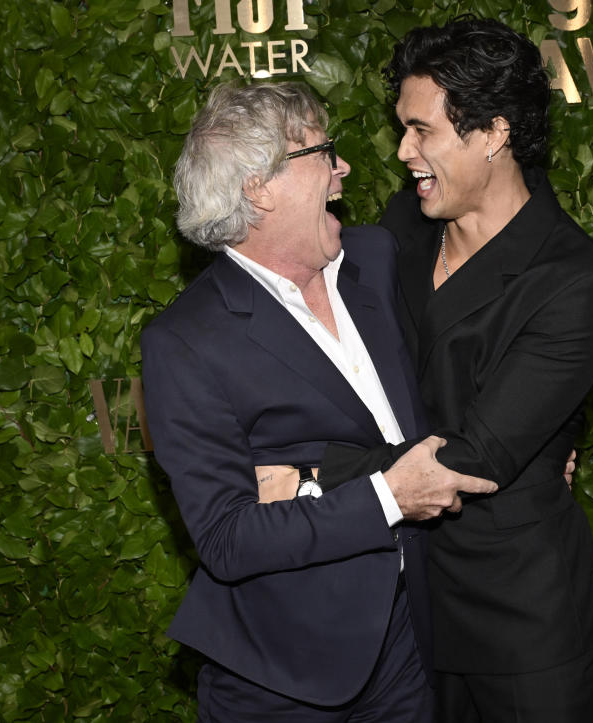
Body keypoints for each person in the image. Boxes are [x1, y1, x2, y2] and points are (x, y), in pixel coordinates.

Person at [140, 82, 497, 722]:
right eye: (322, 152)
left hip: (414, 644)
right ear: (259, 188)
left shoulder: (374, 256)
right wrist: (389, 495)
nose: (344, 167)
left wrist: (531, 437)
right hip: (282, 677)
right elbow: (228, 537)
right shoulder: (185, 342)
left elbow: (460, 354)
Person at [312, 17, 593, 722]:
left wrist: (313, 474)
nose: (402, 151)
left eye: (422, 129)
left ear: (494, 132)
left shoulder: (578, 283)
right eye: (402, 127)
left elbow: (477, 457)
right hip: (399, 602)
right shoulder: (399, 229)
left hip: (517, 621)